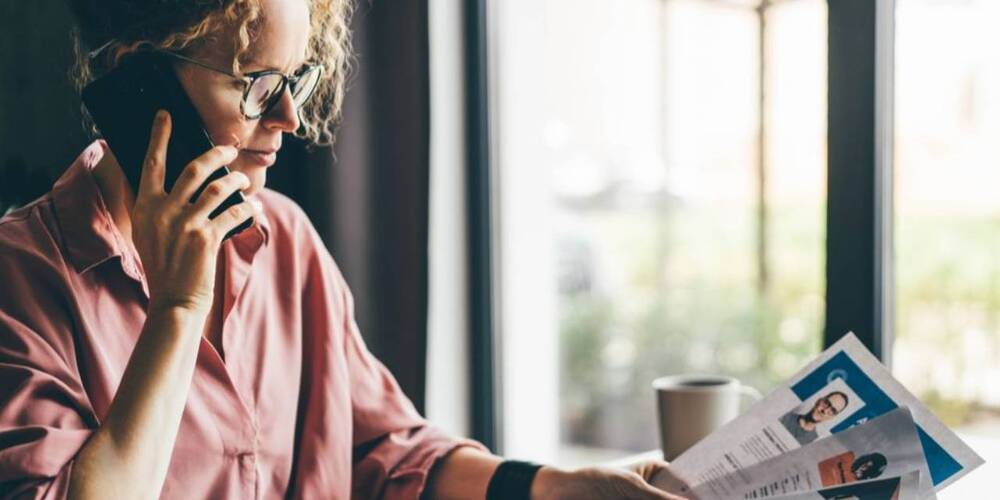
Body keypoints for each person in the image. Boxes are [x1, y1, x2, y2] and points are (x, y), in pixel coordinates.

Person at [0, 1, 688, 499]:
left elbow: (385, 454)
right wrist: (179, 310)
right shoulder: (21, 279)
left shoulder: (285, 243)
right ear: (135, 81)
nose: (287, 118)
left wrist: (558, 489)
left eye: (292, 80)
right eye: (256, 85)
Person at [779, 391, 850, 445]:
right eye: (826, 403)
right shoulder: (785, 416)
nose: (824, 411)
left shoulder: (813, 442)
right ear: (819, 401)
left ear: (832, 417)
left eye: (832, 411)